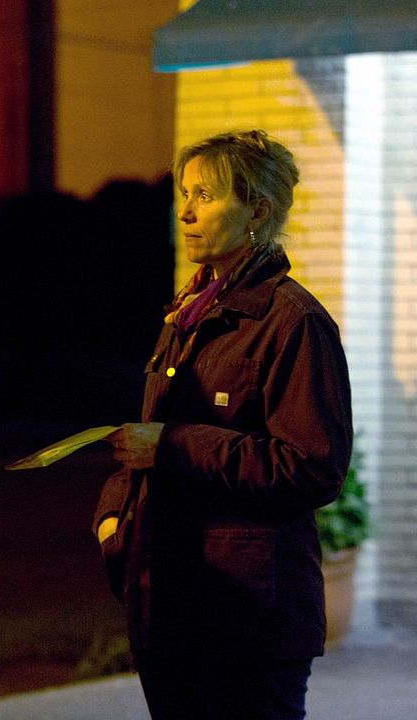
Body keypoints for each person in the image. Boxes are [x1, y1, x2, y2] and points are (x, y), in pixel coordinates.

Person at [95, 129, 353, 720]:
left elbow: (311, 468)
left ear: (257, 211)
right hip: (173, 610)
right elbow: (148, 440)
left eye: (205, 196)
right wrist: (113, 518)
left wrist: (177, 445)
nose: (184, 212)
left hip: (247, 621)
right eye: (184, 194)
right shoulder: (187, 315)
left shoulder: (293, 322)